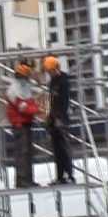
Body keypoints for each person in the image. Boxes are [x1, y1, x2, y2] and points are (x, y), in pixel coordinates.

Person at [6, 62, 40, 188]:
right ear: (21, 76)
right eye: (26, 77)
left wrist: (34, 108)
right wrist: (36, 110)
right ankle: (22, 180)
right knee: (22, 152)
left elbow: (30, 103)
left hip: (27, 124)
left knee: (28, 152)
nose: (28, 79)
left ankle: (28, 179)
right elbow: (23, 107)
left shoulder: (24, 88)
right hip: (19, 125)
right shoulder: (13, 90)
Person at [43, 56, 75, 185]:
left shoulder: (63, 81)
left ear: (56, 68)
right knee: (57, 150)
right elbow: (51, 101)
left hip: (61, 119)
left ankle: (69, 175)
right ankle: (60, 176)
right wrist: (50, 117)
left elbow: (64, 102)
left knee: (64, 148)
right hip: (53, 118)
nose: (49, 73)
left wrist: (59, 118)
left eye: (50, 70)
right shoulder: (53, 82)